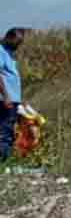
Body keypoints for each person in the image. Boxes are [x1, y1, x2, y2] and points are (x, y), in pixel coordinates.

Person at [0, 28, 25, 161]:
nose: (18, 45)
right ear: (9, 37)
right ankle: (3, 160)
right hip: (5, 99)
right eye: (17, 41)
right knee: (5, 130)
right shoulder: (0, 51)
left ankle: (5, 158)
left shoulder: (9, 53)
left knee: (9, 129)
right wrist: (6, 96)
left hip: (12, 99)